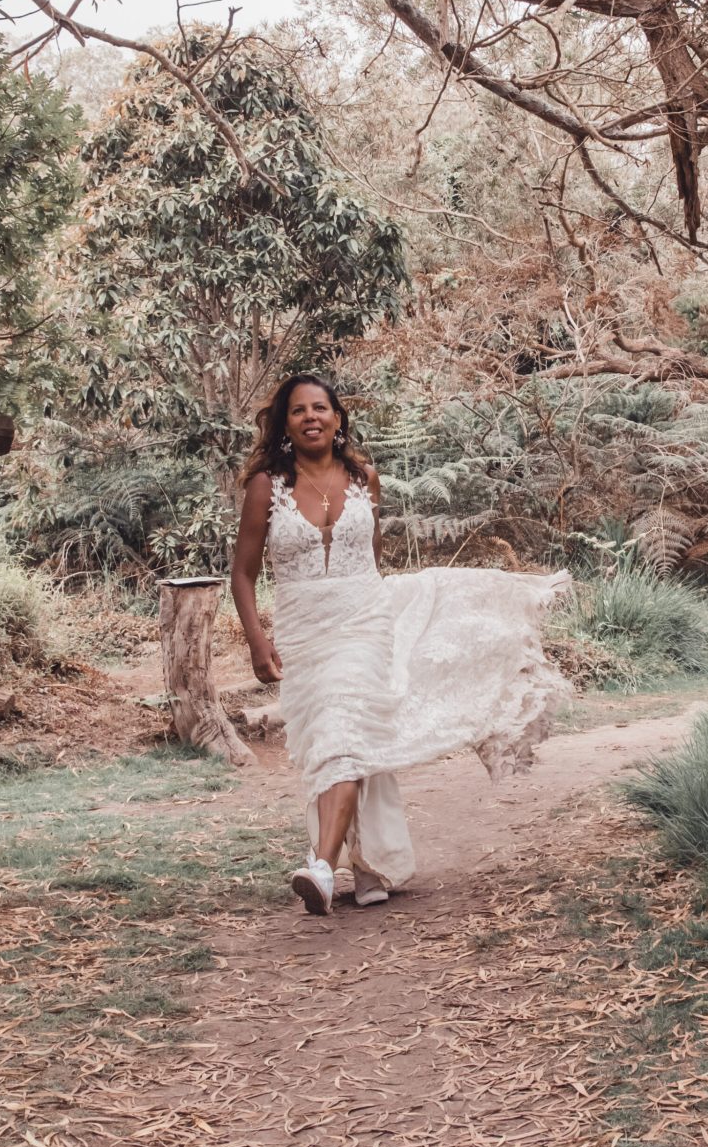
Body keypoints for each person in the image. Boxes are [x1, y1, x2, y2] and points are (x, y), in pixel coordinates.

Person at [230, 374, 571, 915]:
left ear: (338, 419)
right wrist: (256, 640)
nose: (311, 417)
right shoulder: (266, 486)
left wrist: (382, 610)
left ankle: (321, 867)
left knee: (344, 732)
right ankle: (371, 866)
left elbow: (370, 556)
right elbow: (243, 573)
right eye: (298, 410)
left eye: (321, 408)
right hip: (303, 631)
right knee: (337, 741)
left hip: (364, 623)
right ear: (284, 425)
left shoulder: (364, 478)